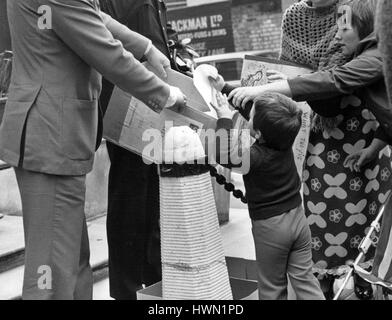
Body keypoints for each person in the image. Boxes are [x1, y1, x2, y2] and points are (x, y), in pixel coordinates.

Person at [0, 0, 185, 300]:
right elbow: (102, 49)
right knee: (51, 275)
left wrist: (146, 47)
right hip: (51, 139)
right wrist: (163, 93)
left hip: (51, 136)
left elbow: (92, 17)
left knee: (71, 265)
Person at [229, 0, 391, 298]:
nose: (336, 35)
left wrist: (258, 91)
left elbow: (332, 80)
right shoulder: (367, 51)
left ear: (366, 28)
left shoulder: (372, 59)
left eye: (345, 28)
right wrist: (376, 146)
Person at [210, 91, 325, 300]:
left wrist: (224, 118)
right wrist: (225, 89)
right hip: (298, 219)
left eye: (251, 118)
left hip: (272, 228)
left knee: (272, 286)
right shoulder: (285, 138)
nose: (248, 118)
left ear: (259, 133)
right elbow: (266, 119)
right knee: (305, 279)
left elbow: (223, 155)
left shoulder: (255, 157)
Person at [98, 0, 172, 300]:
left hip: (147, 99)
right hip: (129, 102)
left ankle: (148, 278)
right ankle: (128, 287)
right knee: (131, 194)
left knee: (147, 193)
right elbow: (116, 44)